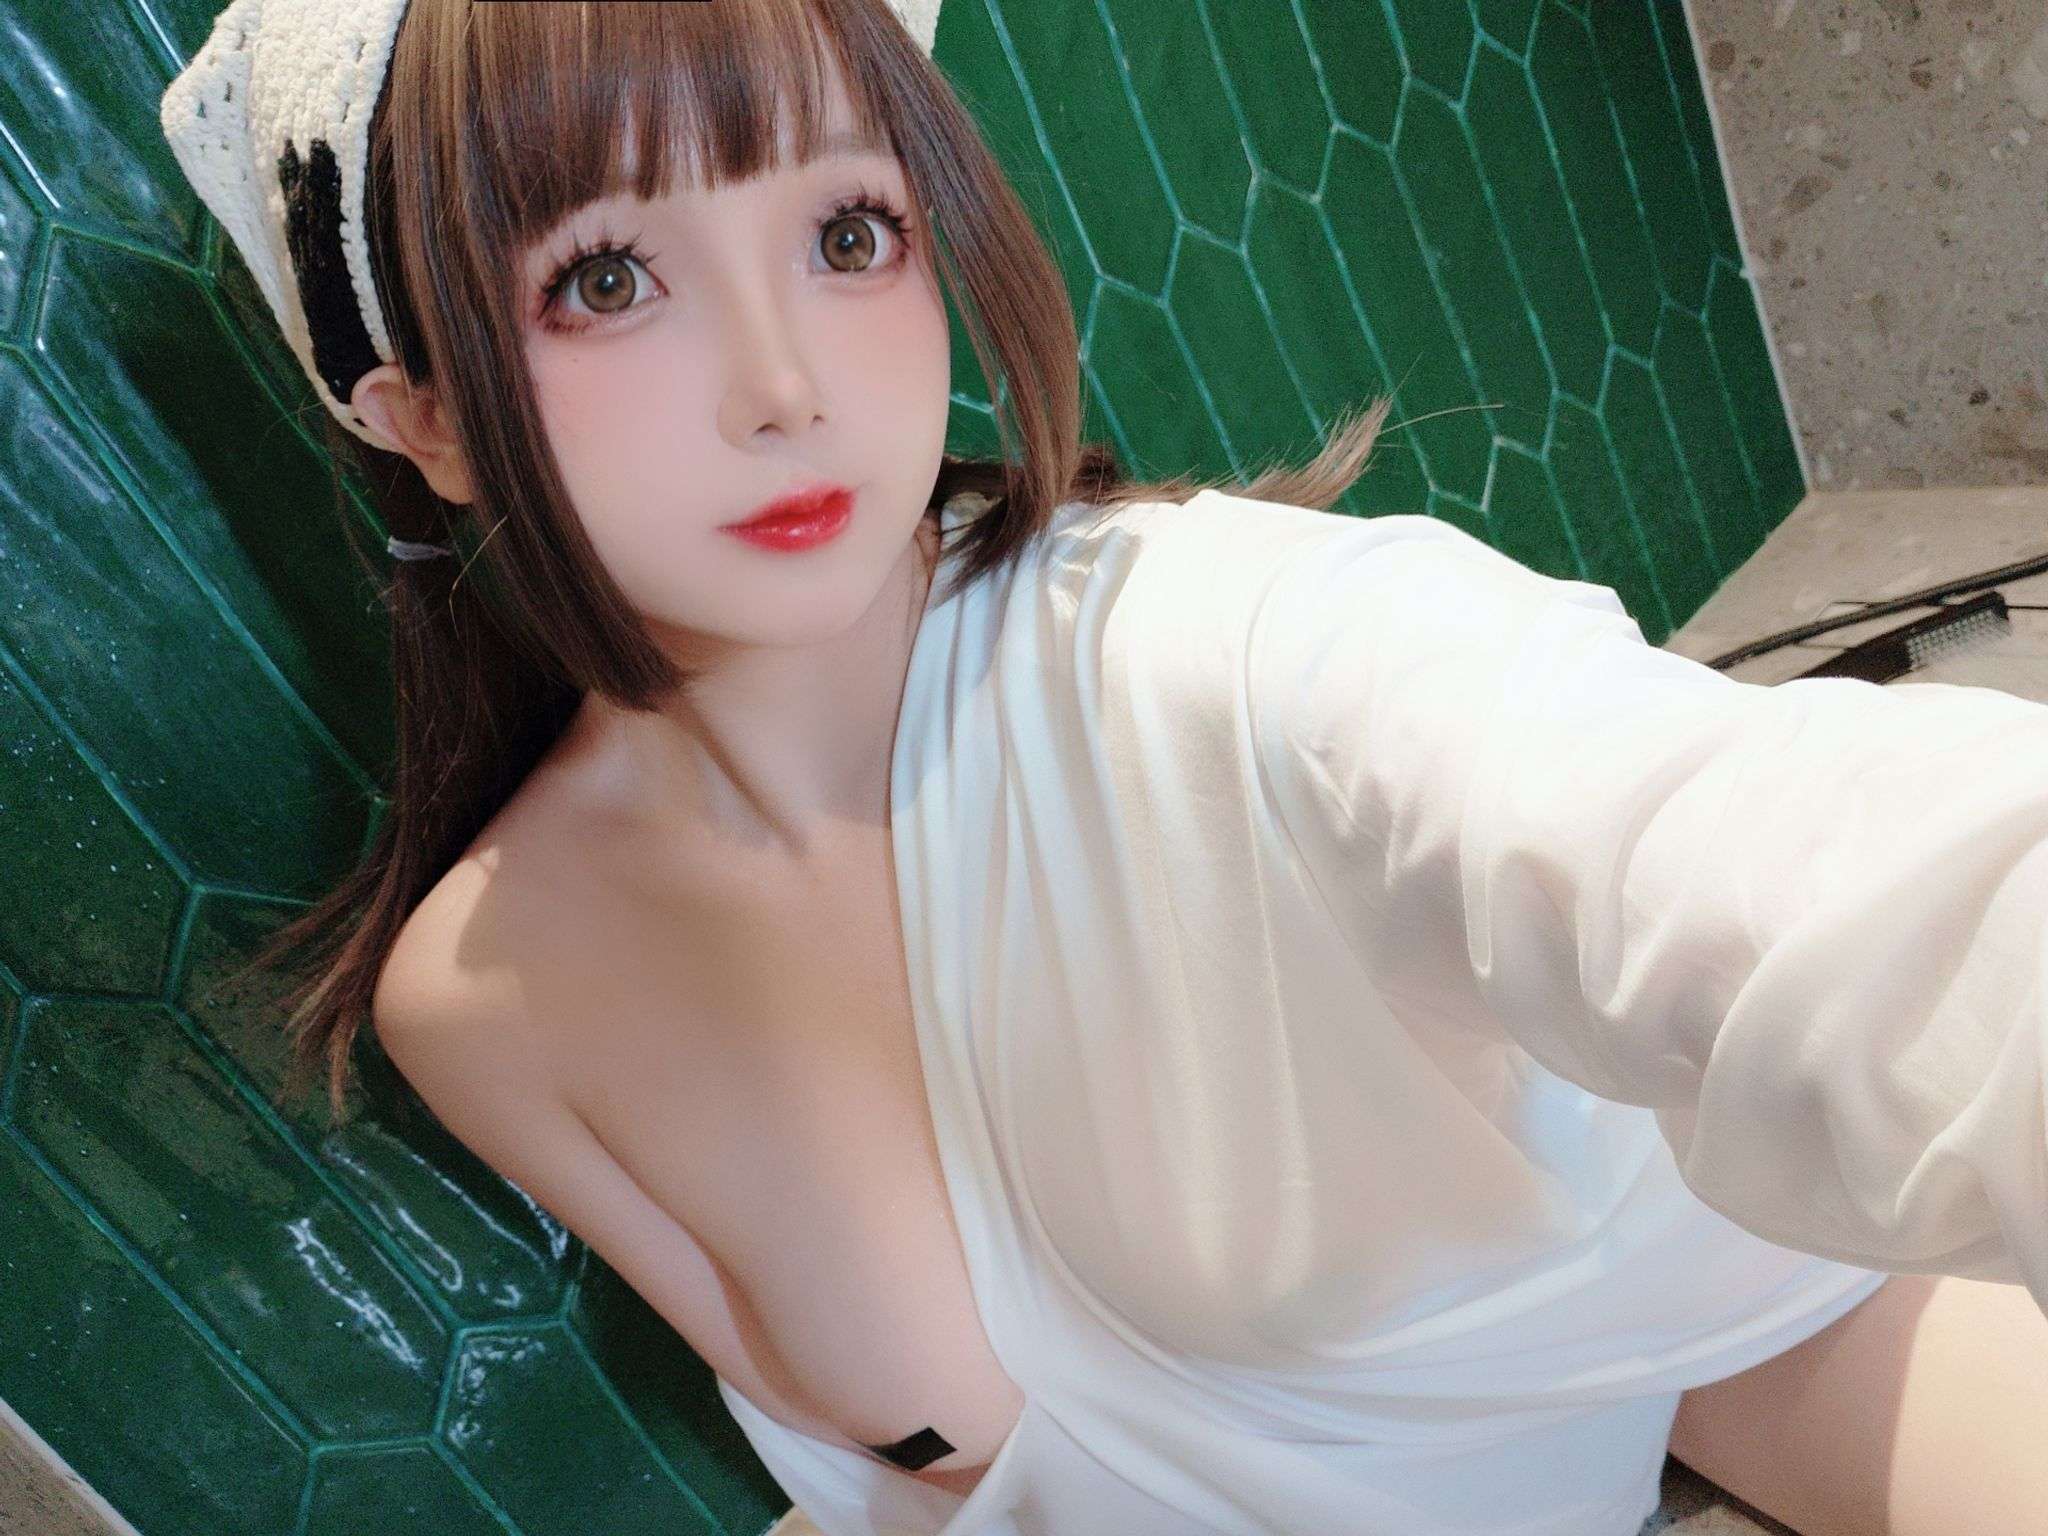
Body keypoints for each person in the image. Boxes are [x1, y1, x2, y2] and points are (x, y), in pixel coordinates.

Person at [160, 1, 2048, 1533]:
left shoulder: (1238, 654)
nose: (786, 381)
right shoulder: (489, 1005)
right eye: (603, 281)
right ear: (421, 414)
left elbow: (1836, 890)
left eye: (847, 234)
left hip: (1735, 1305)